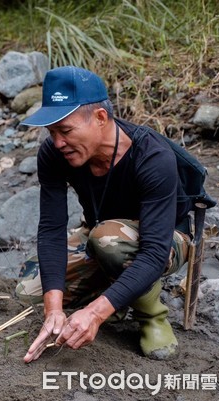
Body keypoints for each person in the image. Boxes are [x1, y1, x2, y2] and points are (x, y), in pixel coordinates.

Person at [15, 65, 193, 362]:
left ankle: (151, 316)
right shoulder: (55, 153)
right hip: (99, 234)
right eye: (51, 131)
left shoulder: (152, 157)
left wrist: (95, 314)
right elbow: (51, 230)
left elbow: (153, 253)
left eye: (66, 130)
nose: (58, 142)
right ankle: (116, 294)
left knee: (108, 240)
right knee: (29, 288)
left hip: (165, 241)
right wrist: (54, 309)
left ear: (100, 118)